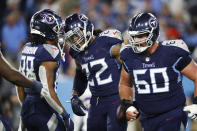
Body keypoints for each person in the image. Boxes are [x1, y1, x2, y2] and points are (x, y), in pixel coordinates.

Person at [117, 12, 197, 131]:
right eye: (133, 36)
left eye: (140, 36)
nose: (135, 40)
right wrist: (127, 105)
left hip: (173, 114)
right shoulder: (129, 55)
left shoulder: (172, 52)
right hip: (147, 118)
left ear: (153, 33)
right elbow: (124, 83)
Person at [63, 13, 127, 131]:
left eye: (76, 35)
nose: (75, 40)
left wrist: (130, 94)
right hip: (96, 102)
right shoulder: (76, 52)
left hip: (116, 98)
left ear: (86, 28)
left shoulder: (106, 43)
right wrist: (74, 95)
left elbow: (128, 65)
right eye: (72, 38)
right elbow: (80, 75)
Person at [17, 9, 74, 131]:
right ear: (46, 31)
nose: (59, 33)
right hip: (42, 107)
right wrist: (65, 115)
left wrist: (26, 108)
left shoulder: (27, 47)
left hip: (27, 106)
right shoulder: (49, 51)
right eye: (56, 29)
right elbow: (47, 90)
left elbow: (19, 85)